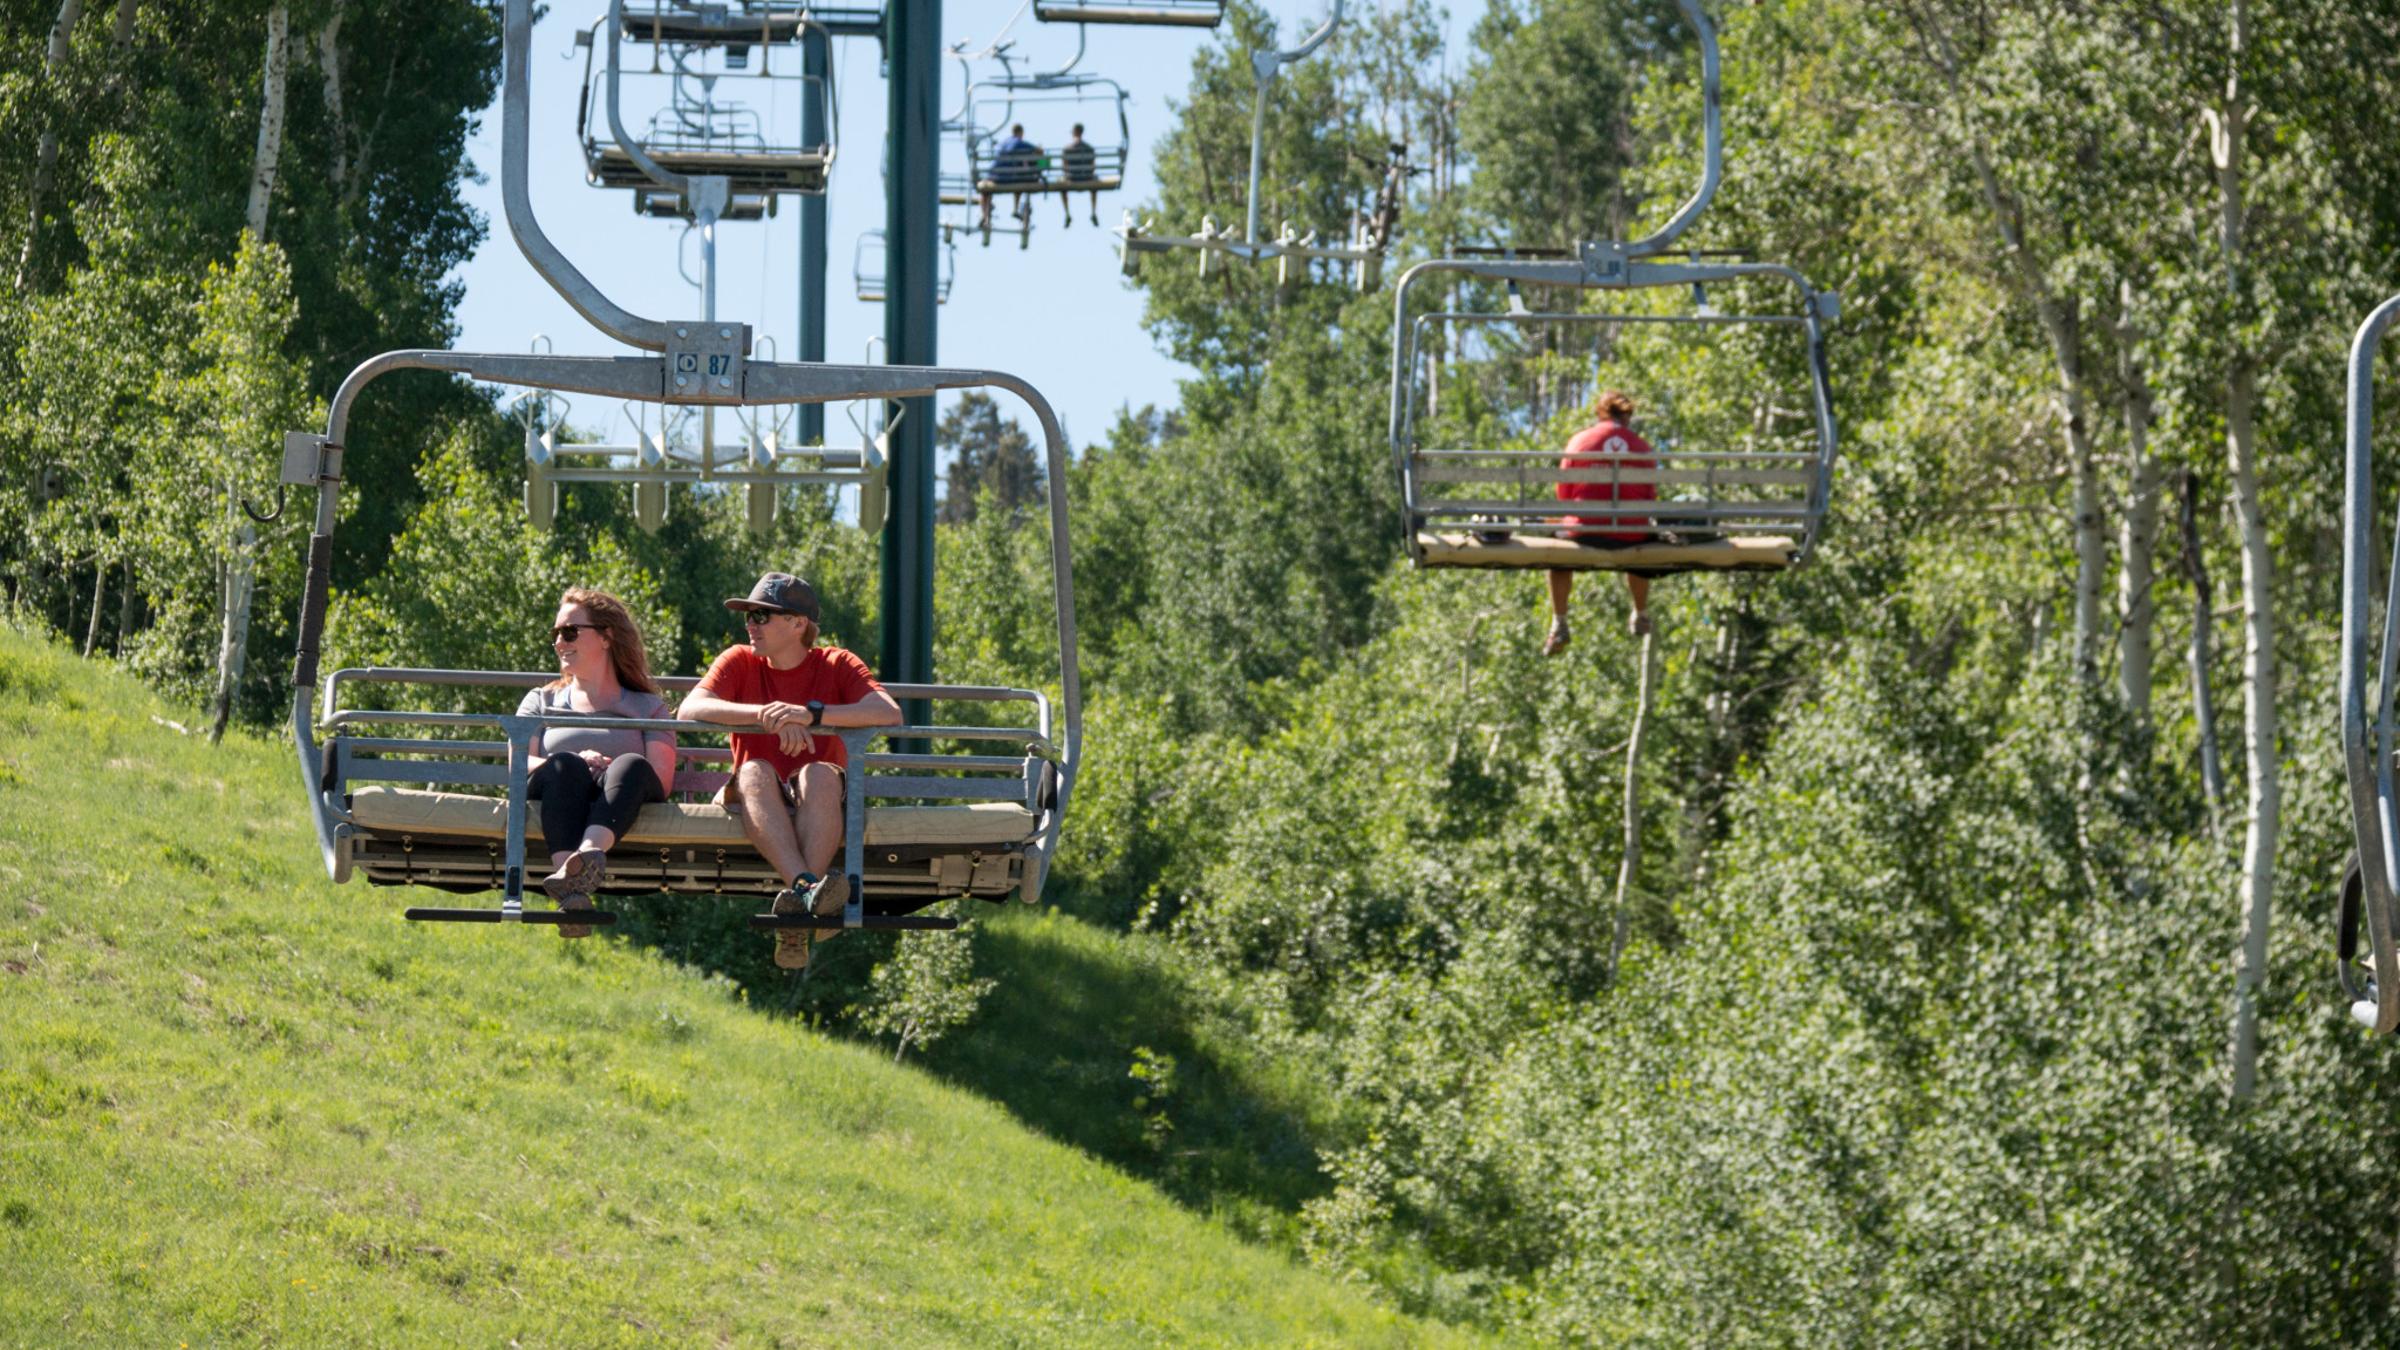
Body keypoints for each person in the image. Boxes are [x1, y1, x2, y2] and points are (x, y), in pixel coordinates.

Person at [679, 572, 902, 970]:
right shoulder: (739, 660)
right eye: (748, 616)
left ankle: (798, 900)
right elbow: (690, 709)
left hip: (819, 794)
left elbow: (888, 713)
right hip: (756, 795)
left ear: (798, 624)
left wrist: (811, 714)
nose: (751, 624)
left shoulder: (836, 663)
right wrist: (767, 716)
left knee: (818, 773)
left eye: (762, 616)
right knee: (752, 772)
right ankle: (807, 893)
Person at [520, 588, 677, 937]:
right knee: (563, 766)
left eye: (570, 632)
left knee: (632, 765)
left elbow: (661, 781)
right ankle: (571, 884)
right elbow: (518, 765)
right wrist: (573, 760)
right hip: (561, 788)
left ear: (606, 637)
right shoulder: (541, 701)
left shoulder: (647, 708)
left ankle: (587, 856)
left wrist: (610, 770)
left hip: (622, 793)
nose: (560, 642)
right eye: (556, 634)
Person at [1544, 389, 1659, 656]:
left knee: (1555, 551)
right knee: (1642, 538)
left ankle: (1559, 621)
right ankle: (1640, 612)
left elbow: (1564, 495)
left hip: (1584, 531)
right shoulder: (1642, 448)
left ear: (1599, 413)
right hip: (1632, 534)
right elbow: (1649, 498)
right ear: (1628, 418)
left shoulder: (1580, 441)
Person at [977, 123, 1043, 235]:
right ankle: (1016, 209)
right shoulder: (1019, 142)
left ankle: (985, 216)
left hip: (993, 176)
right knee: (1021, 181)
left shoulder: (1003, 143)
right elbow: (1039, 151)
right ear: (1021, 133)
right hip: (1009, 178)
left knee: (985, 191)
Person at [1058, 122, 1100, 228]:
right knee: (1095, 184)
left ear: (1074, 133)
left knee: (1060, 184)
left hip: (1072, 178)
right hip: (1087, 178)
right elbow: (1093, 166)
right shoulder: (1089, 148)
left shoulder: (1067, 149)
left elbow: (1064, 167)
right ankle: (1093, 212)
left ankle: (1067, 213)